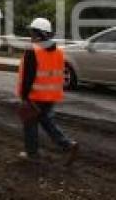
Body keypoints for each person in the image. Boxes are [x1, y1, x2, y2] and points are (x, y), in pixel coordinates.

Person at [17, 17, 78, 163]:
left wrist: (25, 97)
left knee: (30, 123)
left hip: (35, 96)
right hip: (51, 96)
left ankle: (31, 154)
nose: (31, 35)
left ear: (38, 33)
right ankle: (68, 145)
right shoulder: (58, 51)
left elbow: (28, 77)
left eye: (32, 32)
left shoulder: (33, 50)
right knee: (46, 122)